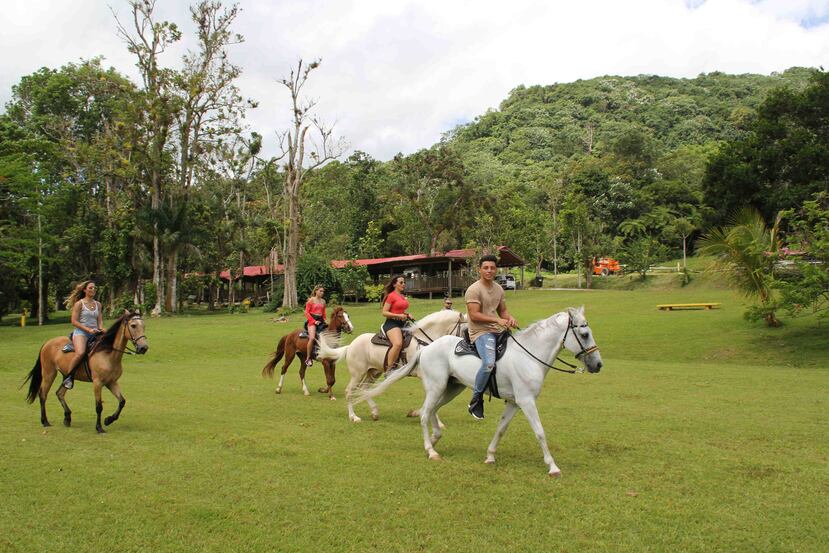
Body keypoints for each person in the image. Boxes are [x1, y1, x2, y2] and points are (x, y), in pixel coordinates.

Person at [465, 255, 518, 419]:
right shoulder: (474, 289)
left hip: (497, 330)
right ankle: (476, 400)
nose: (489, 270)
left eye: (492, 268)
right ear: (479, 269)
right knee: (489, 363)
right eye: (486, 267)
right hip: (480, 332)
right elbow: (474, 316)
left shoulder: (499, 289)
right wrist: (497, 320)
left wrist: (510, 318)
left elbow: (502, 311)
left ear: (496, 270)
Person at [63, 280, 105, 389]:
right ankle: (69, 377)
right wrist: (88, 329)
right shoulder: (79, 304)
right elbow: (74, 321)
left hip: (95, 332)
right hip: (81, 332)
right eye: (90, 288)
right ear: (85, 290)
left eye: (94, 288)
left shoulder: (98, 304)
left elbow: (99, 320)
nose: (93, 290)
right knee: (80, 353)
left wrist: (101, 328)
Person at [381, 275, 412, 371]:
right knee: (398, 344)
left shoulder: (402, 296)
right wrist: (399, 316)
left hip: (403, 323)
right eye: (401, 282)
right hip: (392, 324)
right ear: (395, 284)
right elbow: (384, 312)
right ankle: (389, 369)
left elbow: (400, 310)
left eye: (404, 282)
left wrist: (407, 314)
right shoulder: (391, 296)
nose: (404, 284)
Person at [304, 285, 327, 366]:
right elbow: (306, 312)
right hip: (312, 320)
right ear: (316, 291)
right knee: (312, 338)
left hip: (321, 320)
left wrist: (325, 320)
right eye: (320, 291)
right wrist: (313, 321)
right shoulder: (311, 300)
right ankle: (308, 358)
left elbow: (323, 313)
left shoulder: (323, 301)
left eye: (323, 291)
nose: (322, 293)